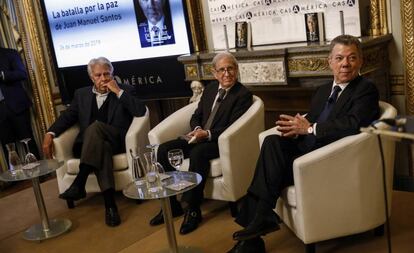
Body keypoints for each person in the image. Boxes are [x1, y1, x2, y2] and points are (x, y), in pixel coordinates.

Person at [227, 35, 380, 252]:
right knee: (272, 142)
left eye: (351, 58)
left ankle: (252, 236)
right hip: (307, 151)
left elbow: (353, 124)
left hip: (331, 157)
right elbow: (311, 121)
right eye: (339, 58)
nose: (345, 64)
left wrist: (308, 129)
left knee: (270, 171)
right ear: (330, 62)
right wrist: (296, 129)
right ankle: (257, 227)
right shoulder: (322, 91)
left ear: (360, 61)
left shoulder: (366, 89)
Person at [150, 52, 253, 234]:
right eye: (222, 70)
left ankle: (193, 208)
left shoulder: (242, 94)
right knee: (164, 150)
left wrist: (207, 134)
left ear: (236, 70)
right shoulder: (211, 89)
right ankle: (172, 204)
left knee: (198, 153)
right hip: (198, 136)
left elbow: (234, 127)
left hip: (219, 141)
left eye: (230, 69)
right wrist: (197, 128)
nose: (226, 74)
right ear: (214, 73)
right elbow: (196, 115)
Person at [42, 57, 146, 227]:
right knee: (100, 146)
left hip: (116, 140)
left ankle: (79, 181)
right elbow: (67, 117)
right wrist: (50, 133)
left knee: (96, 127)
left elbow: (140, 111)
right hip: (93, 146)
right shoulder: (81, 94)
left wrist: (118, 92)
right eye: (98, 75)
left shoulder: (125, 90)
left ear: (113, 74)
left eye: (107, 74)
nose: (103, 78)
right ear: (92, 78)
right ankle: (110, 206)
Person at [0, 47, 39, 160]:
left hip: (16, 106)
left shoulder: (10, 53)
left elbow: (22, 73)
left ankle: (40, 176)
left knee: (28, 143)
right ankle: (17, 178)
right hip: (0, 112)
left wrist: (3, 75)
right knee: (8, 148)